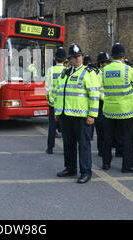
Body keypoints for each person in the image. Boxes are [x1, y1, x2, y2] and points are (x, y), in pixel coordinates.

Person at [54, 43, 100, 184]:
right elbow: (58, 93)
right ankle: (70, 168)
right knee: (68, 144)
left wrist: (92, 114)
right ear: (70, 59)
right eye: (75, 57)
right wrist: (57, 112)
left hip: (82, 117)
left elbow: (94, 95)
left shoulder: (89, 73)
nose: (78, 58)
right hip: (66, 115)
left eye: (79, 56)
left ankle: (86, 172)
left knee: (84, 145)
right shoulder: (65, 73)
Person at [102, 43, 133, 173]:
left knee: (108, 137)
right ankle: (127, 165)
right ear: (123, 56)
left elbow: (100, 89)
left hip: (109, 109)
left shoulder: (104, 70)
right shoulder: (128, 70)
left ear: (112, 56)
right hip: (126, 110)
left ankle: (106, 163)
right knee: (127, 138)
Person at [45, 47, 66, 154]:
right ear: (64, 60)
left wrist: (51, 102)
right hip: (64, 104)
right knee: (65, 127)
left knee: (52, 126)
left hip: (53, 103)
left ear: (55, 59)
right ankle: (67, 148)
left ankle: (50, 148)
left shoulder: (50, 70)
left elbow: (47, 88)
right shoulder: (67, 71)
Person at [94, 51, 110, 157]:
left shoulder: (107, 73)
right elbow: (97, 91)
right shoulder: (97, 75)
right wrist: (105, 98)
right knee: (101, 129)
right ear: (101, 64)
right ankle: (101, 149)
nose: (108, 65)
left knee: (106, 129)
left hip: (108, 104)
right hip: (101, 104)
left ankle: (104, 149)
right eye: (106, 63)